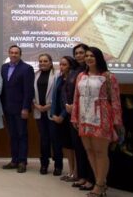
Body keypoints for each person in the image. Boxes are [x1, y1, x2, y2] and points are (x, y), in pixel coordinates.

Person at [72, 47, 123, 197]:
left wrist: (117, 122)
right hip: (84, 117)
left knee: (101, 152)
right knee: (89, 151)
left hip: (102, 118)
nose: (88, 58)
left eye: (92, 56)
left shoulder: (108, 77)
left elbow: (115, 101)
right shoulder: (81, 76)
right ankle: (100, 181)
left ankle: (100, 185)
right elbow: (76, 98)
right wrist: (74, 117)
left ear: (98, 58)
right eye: (86, 56)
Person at [0, 44, 34, 173]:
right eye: (11, 52)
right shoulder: (4, 67)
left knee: (22, 135)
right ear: (8, 54)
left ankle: (22, 161)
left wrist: (25, 108)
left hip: (20, 109)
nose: (13, 55)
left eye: (16, 53)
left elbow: (28, 91)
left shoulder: (27, 69)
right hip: (7, 108)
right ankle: (14, 160)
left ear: (20, 54)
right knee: (12, 135)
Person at [70, 43, 95, 191]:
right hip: (76, 115)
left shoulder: (96, 73)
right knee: (79, 147)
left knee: (91, 149)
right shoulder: (76, 72)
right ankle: (83, 176)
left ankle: (93, 179)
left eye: (82, 53)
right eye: (77, 53)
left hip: (91, 115)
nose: (80, 56)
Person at [33, 53, 62, 175]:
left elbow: (60, 93)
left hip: (52, 111)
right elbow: (31, 93)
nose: (43, 63)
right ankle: (44, 164)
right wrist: (36, 105)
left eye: (45, 61)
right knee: (44, 139)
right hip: (39, 111)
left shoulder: (57, 74)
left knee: (55, 139)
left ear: (50, 62)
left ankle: (58, 165)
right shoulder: (35, 75)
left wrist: (50, 105)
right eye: (41, 61)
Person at [50, 56, 77, 181]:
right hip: (58, 117)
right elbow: (55, 97)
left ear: (70, 65)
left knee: (73, 145)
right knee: (66, 145)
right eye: (60, 64)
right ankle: (71, 171)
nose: (61, 67)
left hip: (69, 116)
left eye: (64, 64)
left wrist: (62, 115)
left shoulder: (73, 79)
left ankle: (76, 172)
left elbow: (69, 102)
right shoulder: (59, 78)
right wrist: (53, 114)